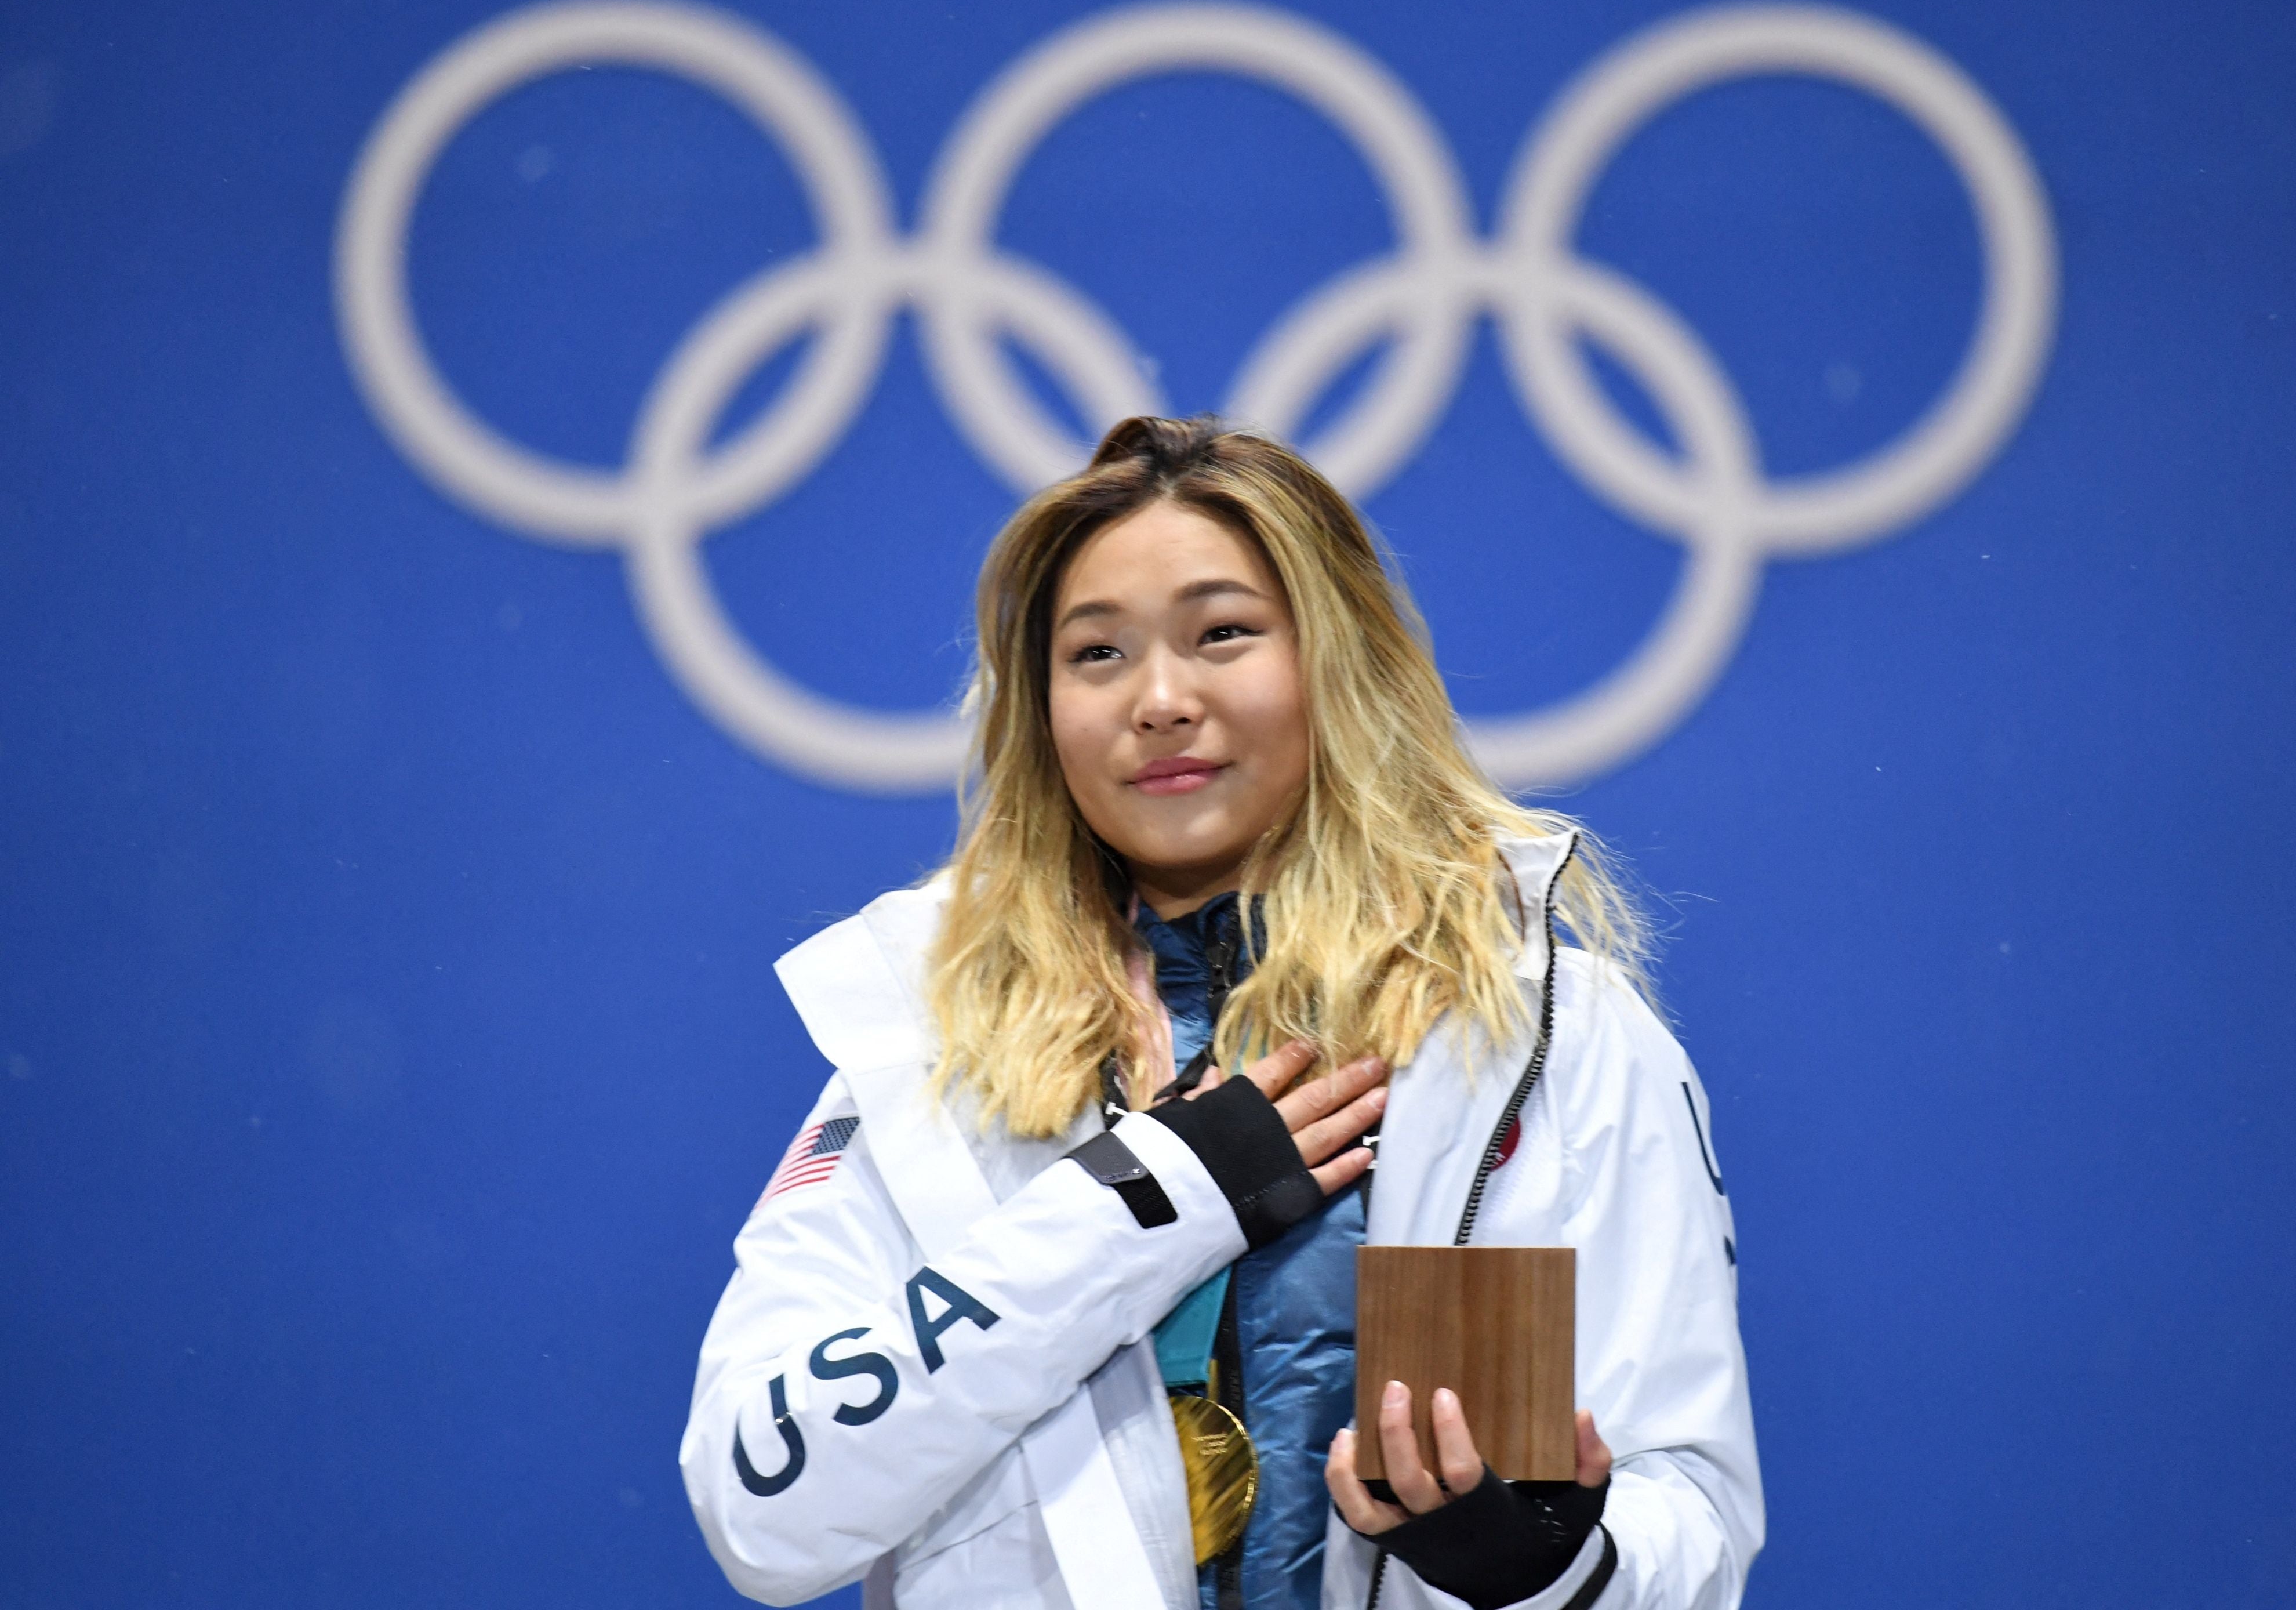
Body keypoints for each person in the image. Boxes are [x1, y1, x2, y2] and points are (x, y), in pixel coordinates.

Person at [678, 416, 1761, 1610]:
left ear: (1337, 662)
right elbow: (760, 1501)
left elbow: (1693, 1514)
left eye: (1223, 634)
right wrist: (1148, 1199)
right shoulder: (934, 1048)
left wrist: (1544, 1566)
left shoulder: (1545, 1029)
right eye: (1096, 654)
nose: (1159, 699)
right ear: (1042, 711)